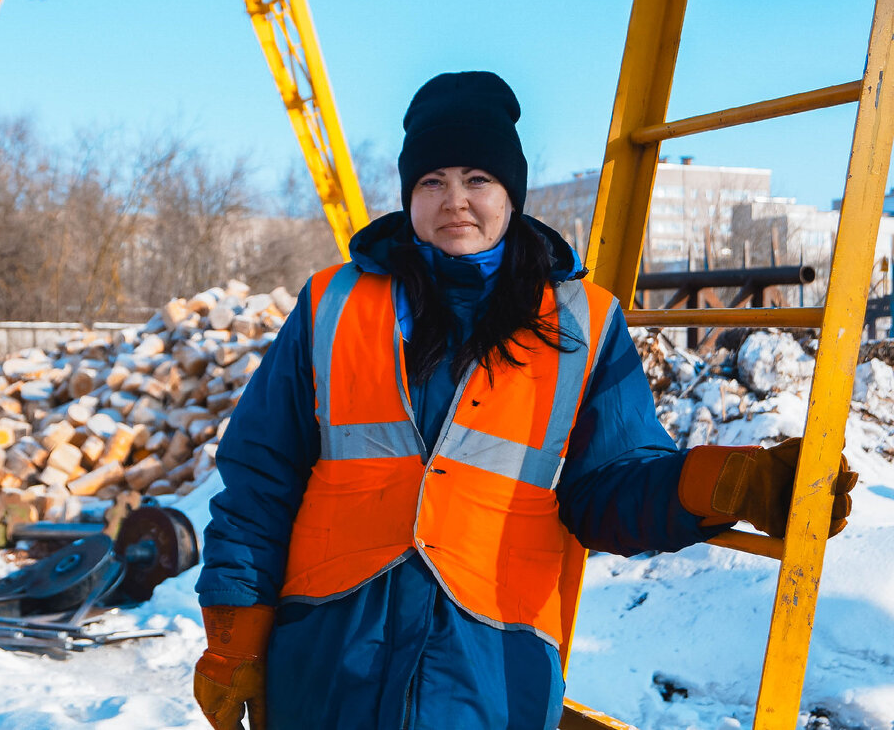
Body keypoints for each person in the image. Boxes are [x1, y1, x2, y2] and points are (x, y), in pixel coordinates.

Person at [191, 71, 856, 730]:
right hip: (328, 666)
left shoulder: (582, 325)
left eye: (477, 179)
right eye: (432, 181)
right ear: (407, 196)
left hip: (488, 677)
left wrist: (725, 482)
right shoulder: (330, 306)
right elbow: (259, 482)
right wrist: (233, 634)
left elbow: (610, 489)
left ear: (512, 193)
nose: (456, 199)